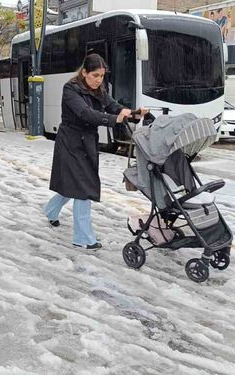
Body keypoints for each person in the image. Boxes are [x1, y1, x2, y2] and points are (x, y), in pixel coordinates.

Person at [44, 53, 146, 249]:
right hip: (71, 143)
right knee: (82, 188)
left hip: (87, 142)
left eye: (101, 76)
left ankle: (50, 211)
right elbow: (85, 113)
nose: (99, 80)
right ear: (84, 73)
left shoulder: (100, 89)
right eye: (95, 76)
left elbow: (112, 105)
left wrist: (132, 112)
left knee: (73, 184)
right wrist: (112, 119)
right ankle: (83, 238)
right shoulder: (71, 89)